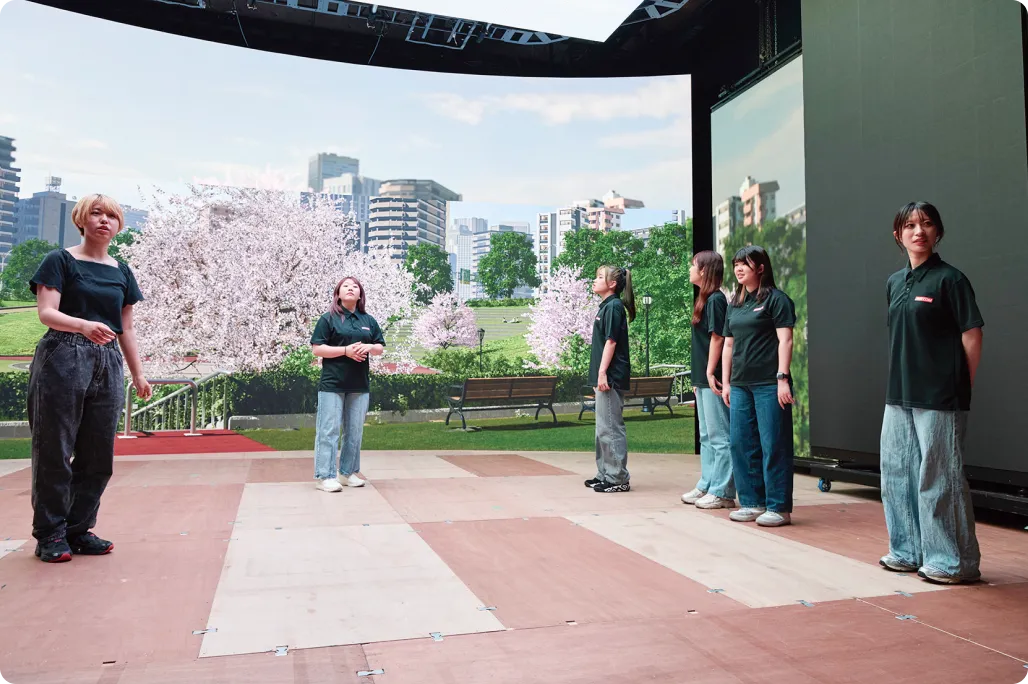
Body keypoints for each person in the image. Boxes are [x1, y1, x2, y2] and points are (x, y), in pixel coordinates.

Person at [28, 194, 152, 563]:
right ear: (81, 220)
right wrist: (83, 326)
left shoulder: (122, 271)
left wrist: (138, 373)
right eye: (96, 214)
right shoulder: (60, 260)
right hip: (62, 354)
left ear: (118, 225)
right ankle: (50, 534)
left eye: (111, 215)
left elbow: (126, 328)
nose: (104, 221)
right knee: (55, 449)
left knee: (99, 453)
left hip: (108, 359)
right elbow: (46, 313)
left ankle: (79, 529)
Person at [878, 202, 983, 585]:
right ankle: (907, 552)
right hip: (899, 394)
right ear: (898, 235)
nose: (918, 231)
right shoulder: (894, 283)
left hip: (940, 395)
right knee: (896, 475)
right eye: (909, 225)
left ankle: (954, 562)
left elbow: (972, 334)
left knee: (940, 479)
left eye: (926, 224)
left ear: (937, 232)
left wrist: (960, 383)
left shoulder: (951, 280)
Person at [721, 245, 796, 527]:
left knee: (773, 443)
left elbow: (785, 341)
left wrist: (782, 378)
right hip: (740, 385)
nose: (739, 269)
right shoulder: (735, 304)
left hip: (769, 383)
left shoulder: (777, 300)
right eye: (736, 264)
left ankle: (778, 507)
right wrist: (727, 382)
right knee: (741, 443)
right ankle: (752, 502)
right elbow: (729, 344)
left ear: (761, 268)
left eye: (745, 264)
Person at [311, 277, 385, 492]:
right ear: (338, 293)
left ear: (360, 295)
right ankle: (325, 476)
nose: (351, 289)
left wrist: (368, 347)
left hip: (359, 384)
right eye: (346, 286)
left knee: (354, 431)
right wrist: (345, 351)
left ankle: (347, 473)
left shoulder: (368, 320)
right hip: (332, 384)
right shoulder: (328, 319)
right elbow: (317, 349)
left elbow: (379, 347)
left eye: (355, 287)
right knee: (329, 430)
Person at [682, 251, 736, 509]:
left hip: (711, 377)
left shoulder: (715, 300)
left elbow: (719, 338)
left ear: (704, 270)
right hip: (703, 378)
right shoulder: (705, 299)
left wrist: (710, 371)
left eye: (693, 265)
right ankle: (707, 483)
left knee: (719, 436)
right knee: (706, 435)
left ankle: (723, 491)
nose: (690, 269)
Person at [583, 265, 635, 493]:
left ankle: (618, 478)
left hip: (611, 377)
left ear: (612, 284)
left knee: (611, 427)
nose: (594, 280)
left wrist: (602, 372)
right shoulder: (605, 307)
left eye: (599, 277)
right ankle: (604, 473)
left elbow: (611, 342)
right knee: (602, 428)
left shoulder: (614, 307)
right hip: (604, 376)